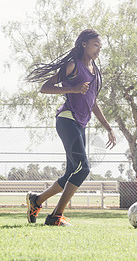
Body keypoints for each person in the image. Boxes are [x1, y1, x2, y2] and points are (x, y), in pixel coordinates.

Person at [25, 29, 116, 226]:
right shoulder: (73, 66)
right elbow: (45, 88)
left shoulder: (95, 71)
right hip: (67, 119)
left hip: (80, 124)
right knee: (84, 169)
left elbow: (92, 103)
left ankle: (37, 200)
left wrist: (108, 127)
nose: (99, 49)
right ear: (84, 44)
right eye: (95, 45)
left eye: (100, 47)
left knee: (71, 172)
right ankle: (55, 216)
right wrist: (72, 89)